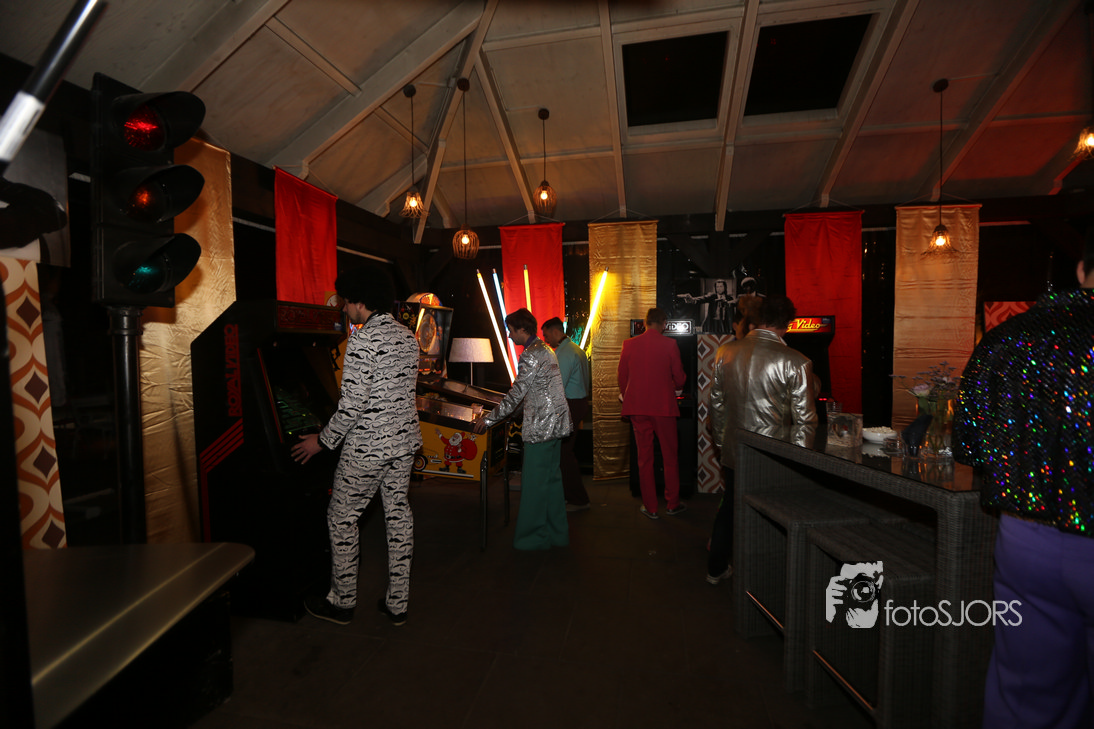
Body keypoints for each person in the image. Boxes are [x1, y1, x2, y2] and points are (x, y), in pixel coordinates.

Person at [953, 236, 1094, 729]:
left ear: (1082, 270)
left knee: (1023, 698)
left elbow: (970, 445)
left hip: (1025, 542)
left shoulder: (1010, 336)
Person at [291, 265, 421, 626]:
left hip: (368, 448)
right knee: (398, 517)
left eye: (346, 302)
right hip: (404, 443)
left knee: (341, 518)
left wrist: (321, 442)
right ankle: (397, 603)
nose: (345, 309)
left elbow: (351, 407)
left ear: (359, 300)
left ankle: (342, 602)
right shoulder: (407, 336)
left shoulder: (363, 340)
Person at [707, 295, 817, 584]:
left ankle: (716, 568)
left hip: (734, 450)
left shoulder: (725, 351)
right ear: (788, 323)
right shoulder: (797, 361)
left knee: (730, 506)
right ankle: (765, 579)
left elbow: (716, 405)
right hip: (774, 455)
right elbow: (805, 421)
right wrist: (799, 464)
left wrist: (722, 445)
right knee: (772, 515)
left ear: (757, 319)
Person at [472, 308, 571, 550]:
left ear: (522, 329)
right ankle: (557, 534)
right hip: (556, 425)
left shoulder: (531, 354)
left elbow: (517, 393)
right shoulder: (545, 348)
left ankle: (532, 538)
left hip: (541, 429)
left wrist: (488, 419)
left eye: (511, 330)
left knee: (535, 485)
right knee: (552, 483)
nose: (509, 335)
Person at [618, 307, 687, 519]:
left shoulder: (629, 344)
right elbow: (680, 377)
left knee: (644, 458)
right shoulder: (670, 344)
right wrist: (677, 387)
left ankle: (651, 507)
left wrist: (626, 394)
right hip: (663, 408)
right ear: (664, 324)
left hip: (638, 408)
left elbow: (622, 376)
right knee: (670, 456)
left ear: (645, 323)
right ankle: (672, 503)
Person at [541, 316, 591, 511]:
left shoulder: (564, 353)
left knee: (563, 453)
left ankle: (578, 499)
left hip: (570, 405)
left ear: (555, 331)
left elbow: (557, 386)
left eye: (546, 335)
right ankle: (567, 495)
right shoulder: (575, 349)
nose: (546, 340)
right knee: (564, 452)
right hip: (578, 403)